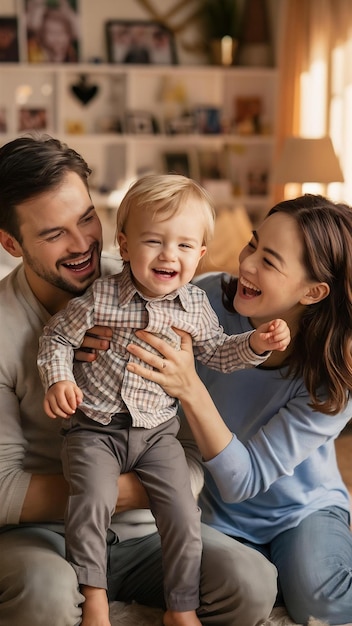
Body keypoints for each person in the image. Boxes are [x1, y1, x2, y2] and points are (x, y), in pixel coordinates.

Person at [0, 134, 278, 626]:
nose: (84, 242)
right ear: (10, 243)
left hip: (143, 531)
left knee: (251, 582)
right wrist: (104, 489)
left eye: (87, 218)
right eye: (53, 234)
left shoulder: (156, 288)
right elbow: (2, 490)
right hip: (43, 534)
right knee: (41, 595)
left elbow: (190, 454)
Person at [125, 194, 352, 626]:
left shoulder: (335, 378)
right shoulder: (207, 299)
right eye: (252, 244)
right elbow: (131, 279)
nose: (246, 264)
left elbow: (242, 480)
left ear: (313, 291)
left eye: (269, 260)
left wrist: (189, 385)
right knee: (242, 583)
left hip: (298, 511)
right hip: (209, 508)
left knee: (322, 603)